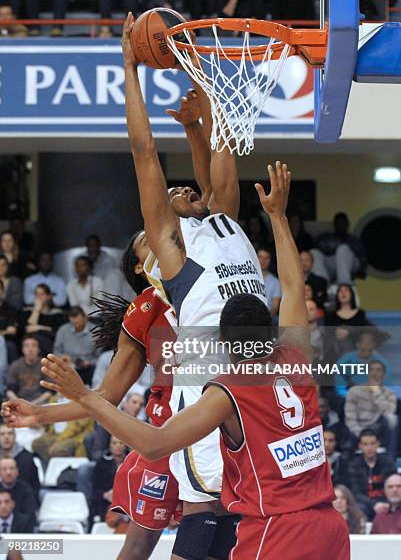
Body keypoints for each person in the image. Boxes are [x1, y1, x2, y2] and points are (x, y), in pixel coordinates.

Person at [39, 162, 350, 559]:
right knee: (146, 540)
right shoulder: (294, 357)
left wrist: (82, 395)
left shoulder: (227, 380)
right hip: (318, 517)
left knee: (197, 524)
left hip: (238, 477)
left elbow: (211, 193)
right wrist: (277, 216)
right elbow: (292, 289)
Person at [117, 13, 267, 559]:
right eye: (175, 193)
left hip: (255, 379)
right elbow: (144, 154)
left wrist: (204, 67)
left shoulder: (224, 217)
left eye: (188, 186)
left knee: (246, 510)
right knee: (210, 510)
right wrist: (130, 70)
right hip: (207, 386)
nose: (182, 189)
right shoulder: (174, 251)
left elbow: (222, 156)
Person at [2, 232, 180, 560]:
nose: (159, 235)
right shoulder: (147, 308)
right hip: (170, 435)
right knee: (140, 547)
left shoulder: (211, 285)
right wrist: (40, 415)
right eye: (146, 238)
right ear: (141, 267)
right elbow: (105, 395)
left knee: (217, 537)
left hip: (216, 427)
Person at [345, 360, 398, 459]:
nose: (375, 373)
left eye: (378, 370)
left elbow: (389, 412)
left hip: (379, 430)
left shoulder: (390, 393)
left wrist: (376, 391)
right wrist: (362, 435)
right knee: (348, 430)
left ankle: (391, 460)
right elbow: (350, 418)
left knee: (393, 419)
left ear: (384, 375)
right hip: (357, 430)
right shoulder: (354, 391)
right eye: (371, 370)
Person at [348, 429, 395, 520]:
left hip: (386, 501)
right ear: (360, 446)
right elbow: (356, 493)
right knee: (359, 508)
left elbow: (394, 486)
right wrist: (374, 504)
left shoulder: (388, 462)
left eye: (372, 443)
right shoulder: (354, 465)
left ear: (378, 444)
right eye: (365, 444)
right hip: (365, 504)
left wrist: (386, 503)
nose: (369, 448)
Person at [312, 212, 367, 284]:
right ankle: (323, 285)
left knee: (342, 249)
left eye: (342, 223)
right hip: (333, 265)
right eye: (338, 223)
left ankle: (344, 285)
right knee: (314, 252)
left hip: (351, 265)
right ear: (334, 225)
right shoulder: (326, 238)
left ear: (347, 224)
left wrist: (360, 273)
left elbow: (362, 259)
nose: (340, 226)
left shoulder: (354, 239)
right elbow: (318, 247)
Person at [334, 330, 390, 398]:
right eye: (363, 350)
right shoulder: (344, 361)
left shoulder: (382, 363)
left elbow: (387, 387)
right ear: (358, 345)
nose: (366, 354)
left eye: (370, 350)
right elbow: (340, 388)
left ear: (374, 346)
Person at [53, 307, 98, 384]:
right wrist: (62, 356)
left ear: (85, 318)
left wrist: (90, 362)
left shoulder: (96, 331)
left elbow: (101, 357)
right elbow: (56, 351)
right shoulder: (63, 330)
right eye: (74, 324)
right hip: (69, 365)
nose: (77, 326)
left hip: (89, 367)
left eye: (79, 323)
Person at [6, 335, 52, 405]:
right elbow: (9, 390)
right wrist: (20, 403)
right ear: (22, 349)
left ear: (38, 349)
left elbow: (49, 391)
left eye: (33, 346)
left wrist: (33, 405)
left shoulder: (44, 364)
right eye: (27, 346)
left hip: (41, 403)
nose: (30, 349)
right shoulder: (15, 365)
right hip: (20, 403)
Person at [20, 284, 65, 355]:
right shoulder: (27, 311)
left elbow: (56, 332)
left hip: (49, 342)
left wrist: (39, 327)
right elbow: (29, 329)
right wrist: (36, 310)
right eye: (36, 294)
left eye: (42, 294)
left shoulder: (56, 313)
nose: (39, 297)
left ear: (49, 296)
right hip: (31, 343)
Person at [0, 424, 40, 502]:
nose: (6, 437)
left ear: (15, 436)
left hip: (22, 501)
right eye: (2, 434)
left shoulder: (26, 459)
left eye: (9, 433)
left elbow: (26, 486)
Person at [92, 436, 127, 521]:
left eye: (121, 443)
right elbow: (95, 488)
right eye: (114, 443)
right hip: (107, 501)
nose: (118, 446)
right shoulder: (101, 463)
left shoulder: (133, 461)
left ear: (125, 445)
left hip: (127, 499)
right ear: (109, 446)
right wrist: (105, 495)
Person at [0, 458, 37, 528]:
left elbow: (30, 516)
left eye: (11, 469)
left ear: (17, 471)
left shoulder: (26, 490)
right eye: (4, 469)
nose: (8, 472)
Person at [257, 247, 281, 316]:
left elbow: (275, 307)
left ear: (270, 260)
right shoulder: (249, 277)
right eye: (260, 257)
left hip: (268, 318)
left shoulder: (276, 282)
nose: (263, 261)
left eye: (267, 258)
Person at [0, 278, 18, 363]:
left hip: (5, 341)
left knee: (11, 346)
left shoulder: (10, 309)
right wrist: (4, 331)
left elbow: (12, 331)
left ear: (3, 291)